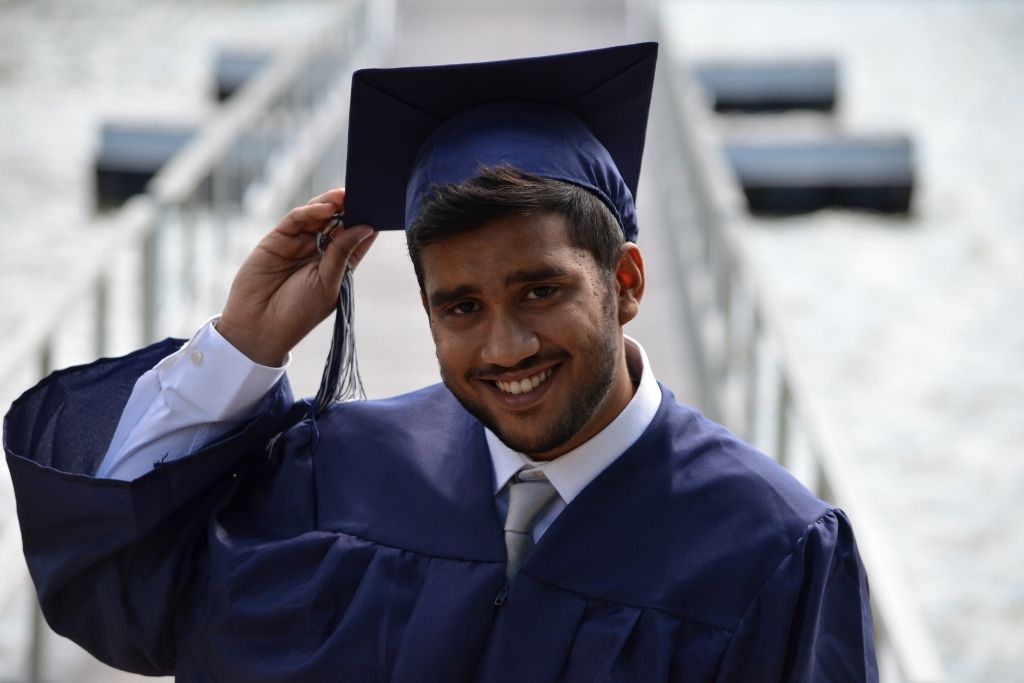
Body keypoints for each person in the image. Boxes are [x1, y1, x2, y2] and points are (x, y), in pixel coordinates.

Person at [4, 43, 878, 681]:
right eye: (460, 307)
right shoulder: (337, 472)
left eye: (540, 290)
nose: (504, 347)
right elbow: (120, 582)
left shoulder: (773, 549)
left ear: (628, 280)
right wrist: (244, 345)